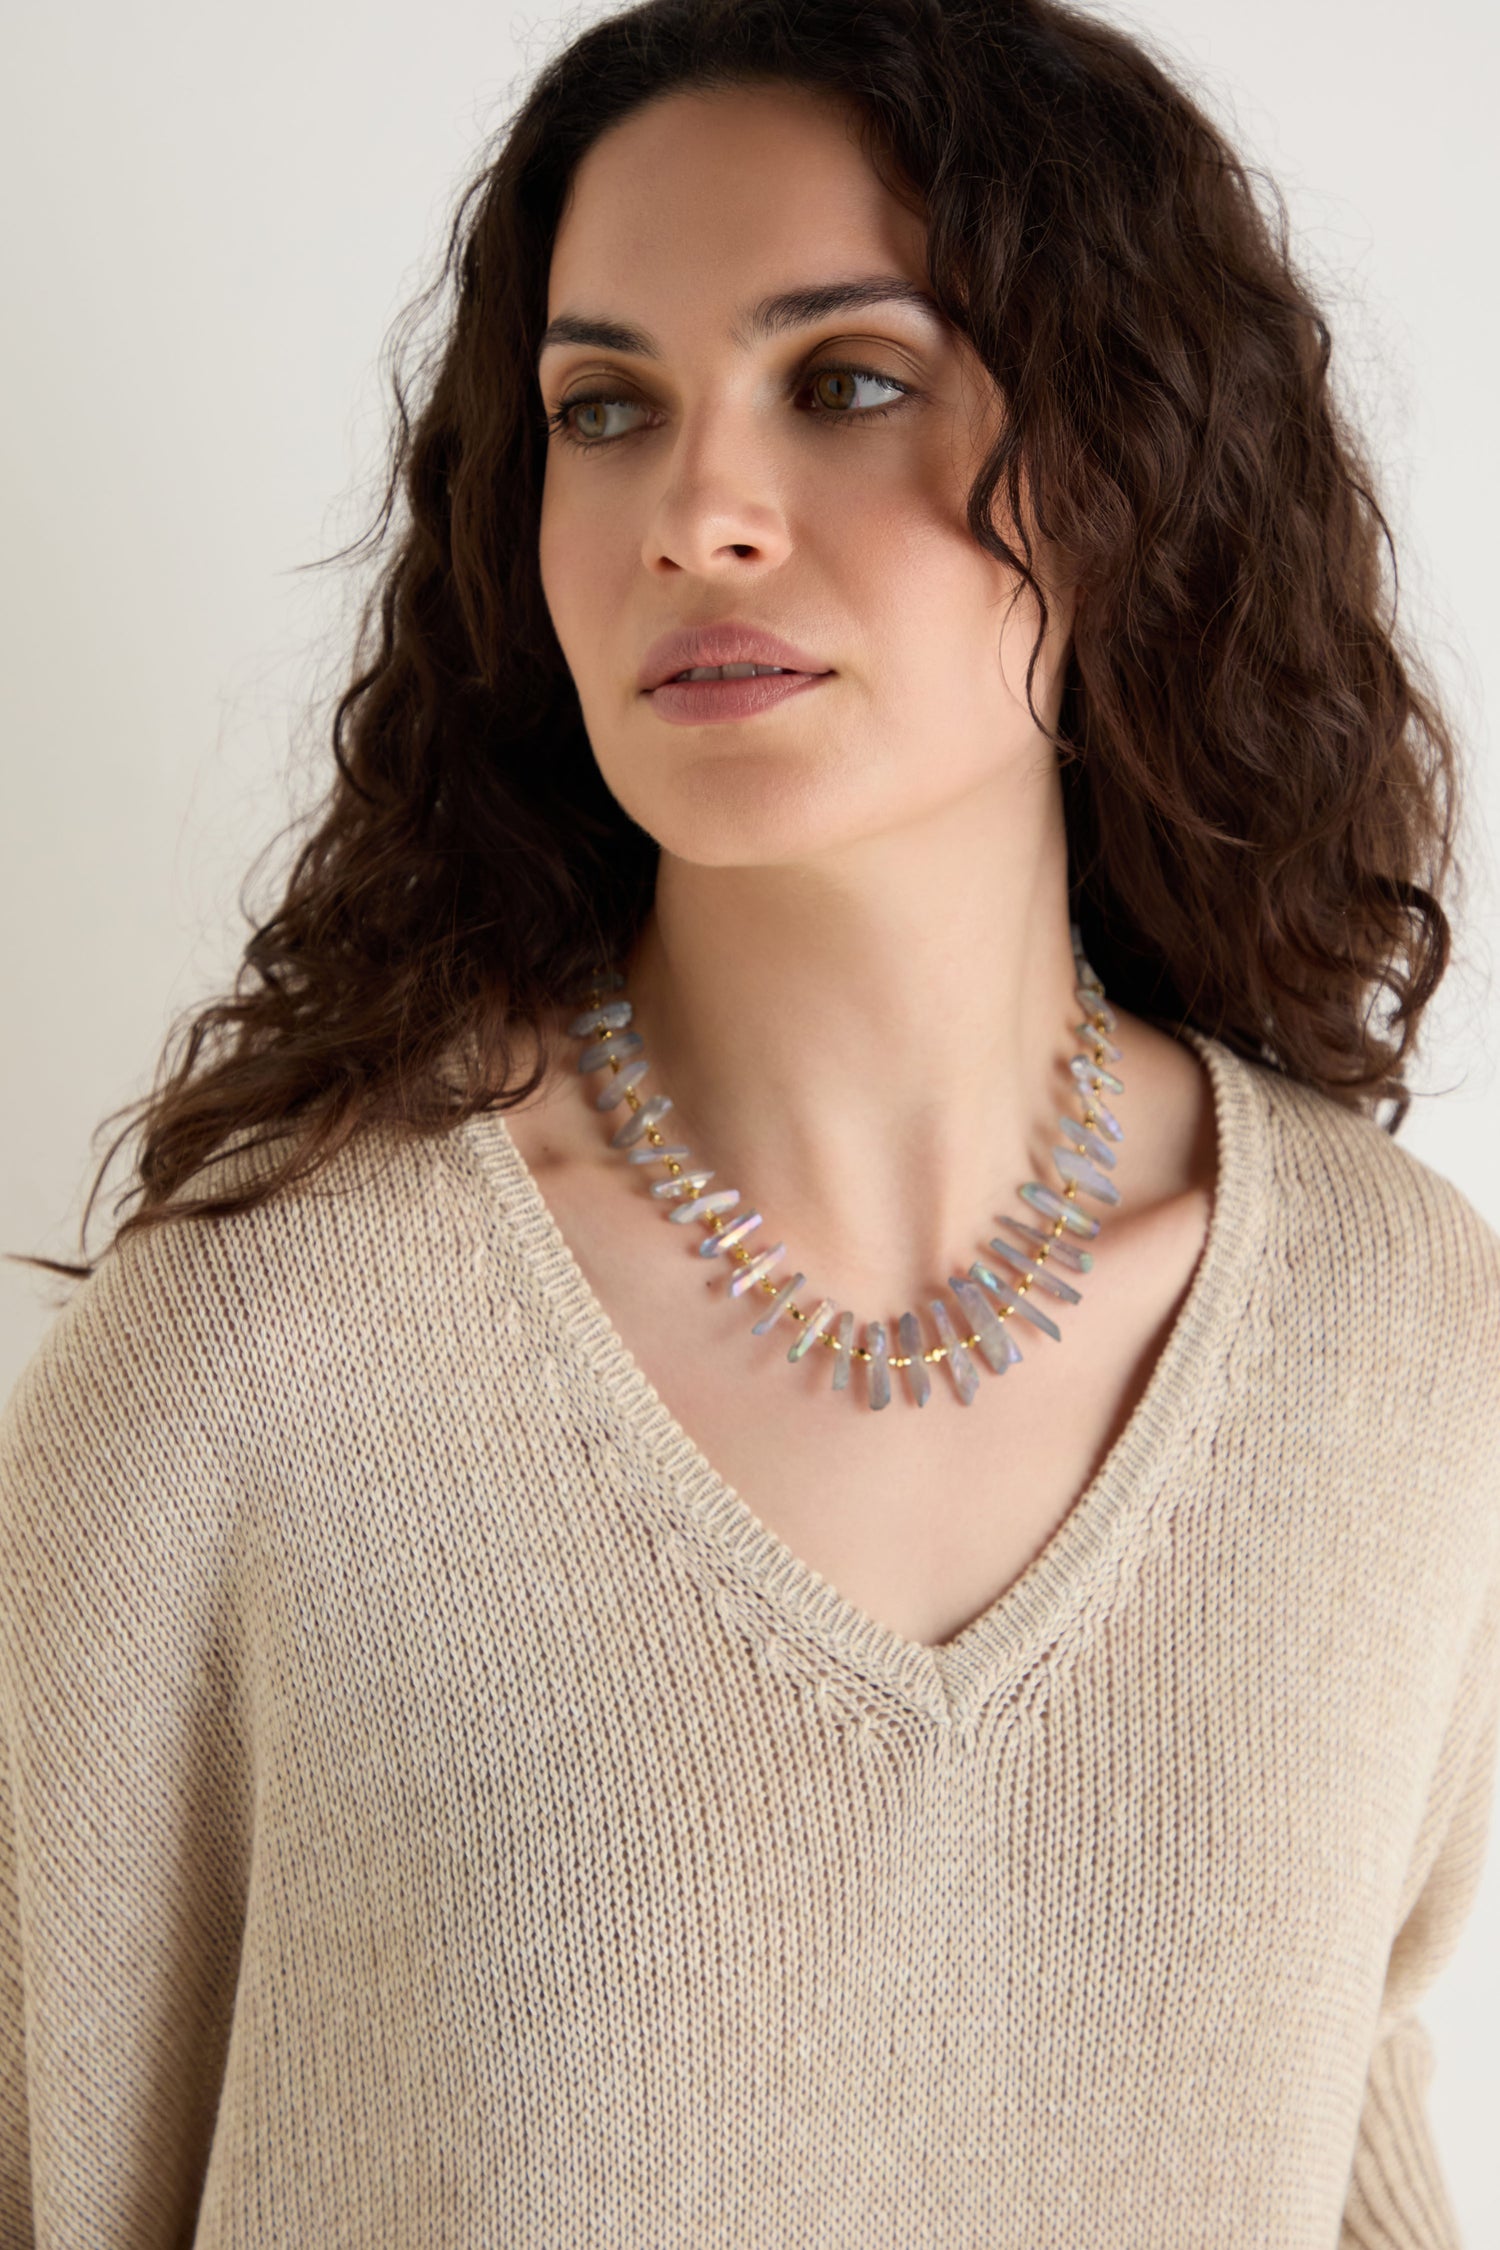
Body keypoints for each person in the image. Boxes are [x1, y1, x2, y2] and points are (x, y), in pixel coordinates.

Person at [1, 0, 1495, 2242]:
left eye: (848, 381)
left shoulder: (1403, 1336)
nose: (695, 511)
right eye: (605, 410)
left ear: (1135, 466)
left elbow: (1339, 2105)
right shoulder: (252, 1370)